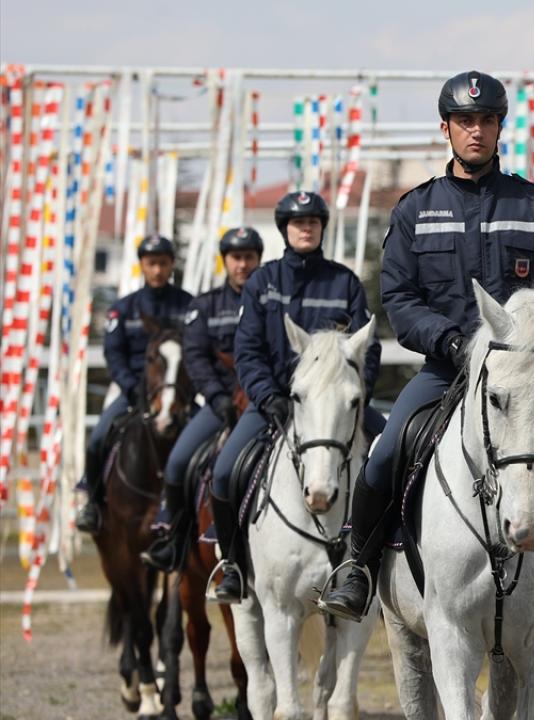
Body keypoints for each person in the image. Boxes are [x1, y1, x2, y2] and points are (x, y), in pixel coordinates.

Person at [316, 70, 534, 621]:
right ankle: (356, 565)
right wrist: (452, 342)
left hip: (527, 373)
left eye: (486, 121)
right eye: (464, 121)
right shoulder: (414, 209)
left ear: (500, 128)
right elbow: (400, 300)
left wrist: (531, 333)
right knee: (383, 456)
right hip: (445, 369)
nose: (475, 131)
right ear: (446, 129)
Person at [206, 191, 386, 603]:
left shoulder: (345, 282)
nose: (305, 228)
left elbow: (367, 350)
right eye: (297, 222)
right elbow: (248, 350)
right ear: (284, 229)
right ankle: (232, 566)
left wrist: (355, 398)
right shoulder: (262, 282)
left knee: (393, 459)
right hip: (274, 405)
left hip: (337, 410)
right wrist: (269, 397)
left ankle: (380, 563)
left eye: (313, 222)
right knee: (223, 472)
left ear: (322, 228)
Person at [141, 227, 263, 571]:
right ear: (225, 261)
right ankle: (175, 540)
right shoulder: (205, 305)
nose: (242, 265)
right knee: (178, 462)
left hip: (264, 401)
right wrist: (217, 396)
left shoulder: (272, 301)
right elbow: (195, 357)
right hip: (219, 404)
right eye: (236, 258)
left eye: (249, 257)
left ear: (258, 259)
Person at [75, 235, 193, 534]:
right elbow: (113, 354)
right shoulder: (123, 309)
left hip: (177, 394)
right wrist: (132, 388)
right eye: (151, 263)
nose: (157, 270)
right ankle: (93, 501)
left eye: (163, 263)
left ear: (171, 266)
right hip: (131, 391)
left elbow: (195, 351)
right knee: (98, 437)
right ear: (142, 265)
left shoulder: (189, 306)